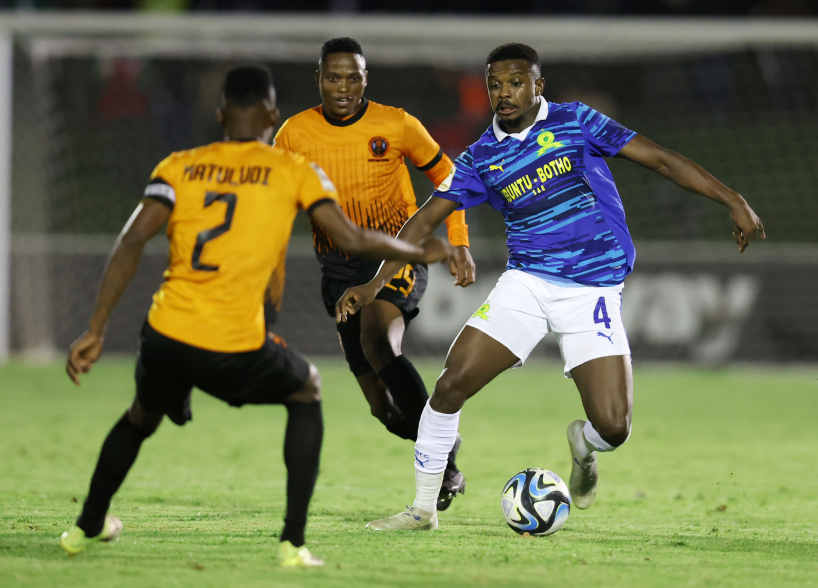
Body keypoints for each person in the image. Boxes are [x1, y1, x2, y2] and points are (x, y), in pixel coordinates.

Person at [336, 43, 765, 531]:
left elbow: (661, 160)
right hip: (528, 285)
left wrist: (732, 199)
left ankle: (584, 446)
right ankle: (422, 510)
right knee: (450, 385)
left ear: (539, 85)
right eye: (495, 84)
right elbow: (424, 220)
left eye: (515, 82)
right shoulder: (482, 158)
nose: (504, 93)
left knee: (614, 427)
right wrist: (375, 284)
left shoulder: (576, 121)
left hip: (593, 290)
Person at [58, 65, 450, 562]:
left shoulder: (179, 165)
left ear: (221, 115)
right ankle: (292, 542)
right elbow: (351, 238)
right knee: (307, 389)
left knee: (140, 416)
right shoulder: (292, 171)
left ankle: (88, 524)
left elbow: (133, 239)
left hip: (165, 331)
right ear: (271, 115)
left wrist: (96, 329)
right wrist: (419, 253)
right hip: (234, 341)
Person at [274, 37, 475, 511]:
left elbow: (451, 177)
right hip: (337, 269)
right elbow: (272, 198)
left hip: (397, 255)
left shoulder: (397, 124)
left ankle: (439, 467)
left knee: (379, 339)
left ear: (366, 80)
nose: (342, 87)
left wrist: (459, 240)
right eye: (332, 77)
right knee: (383, 411)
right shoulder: (293, 134)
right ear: (318, 79)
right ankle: (445, 451)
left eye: (352, 77)